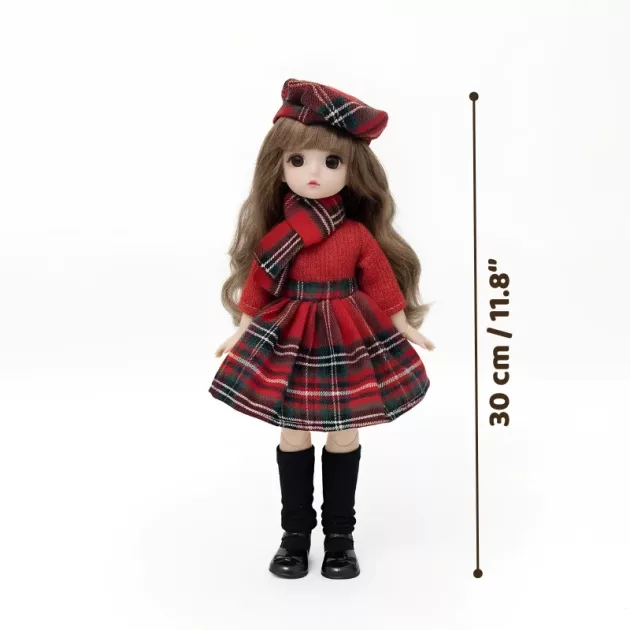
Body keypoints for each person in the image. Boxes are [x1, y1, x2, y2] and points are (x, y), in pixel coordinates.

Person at [209, 78, 435, 580]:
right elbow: (259, 284)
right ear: (279, 166)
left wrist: (401, 322)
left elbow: (380, 280)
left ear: (354, 171)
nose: (314, 173)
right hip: (291, 339)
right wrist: (243, 328)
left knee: (342, 434)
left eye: (332, 162)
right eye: (299, 160)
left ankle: (339, 539)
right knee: (293, 434)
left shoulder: (354, 234)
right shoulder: (279, 238)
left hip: (347, 339)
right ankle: (294, 536)